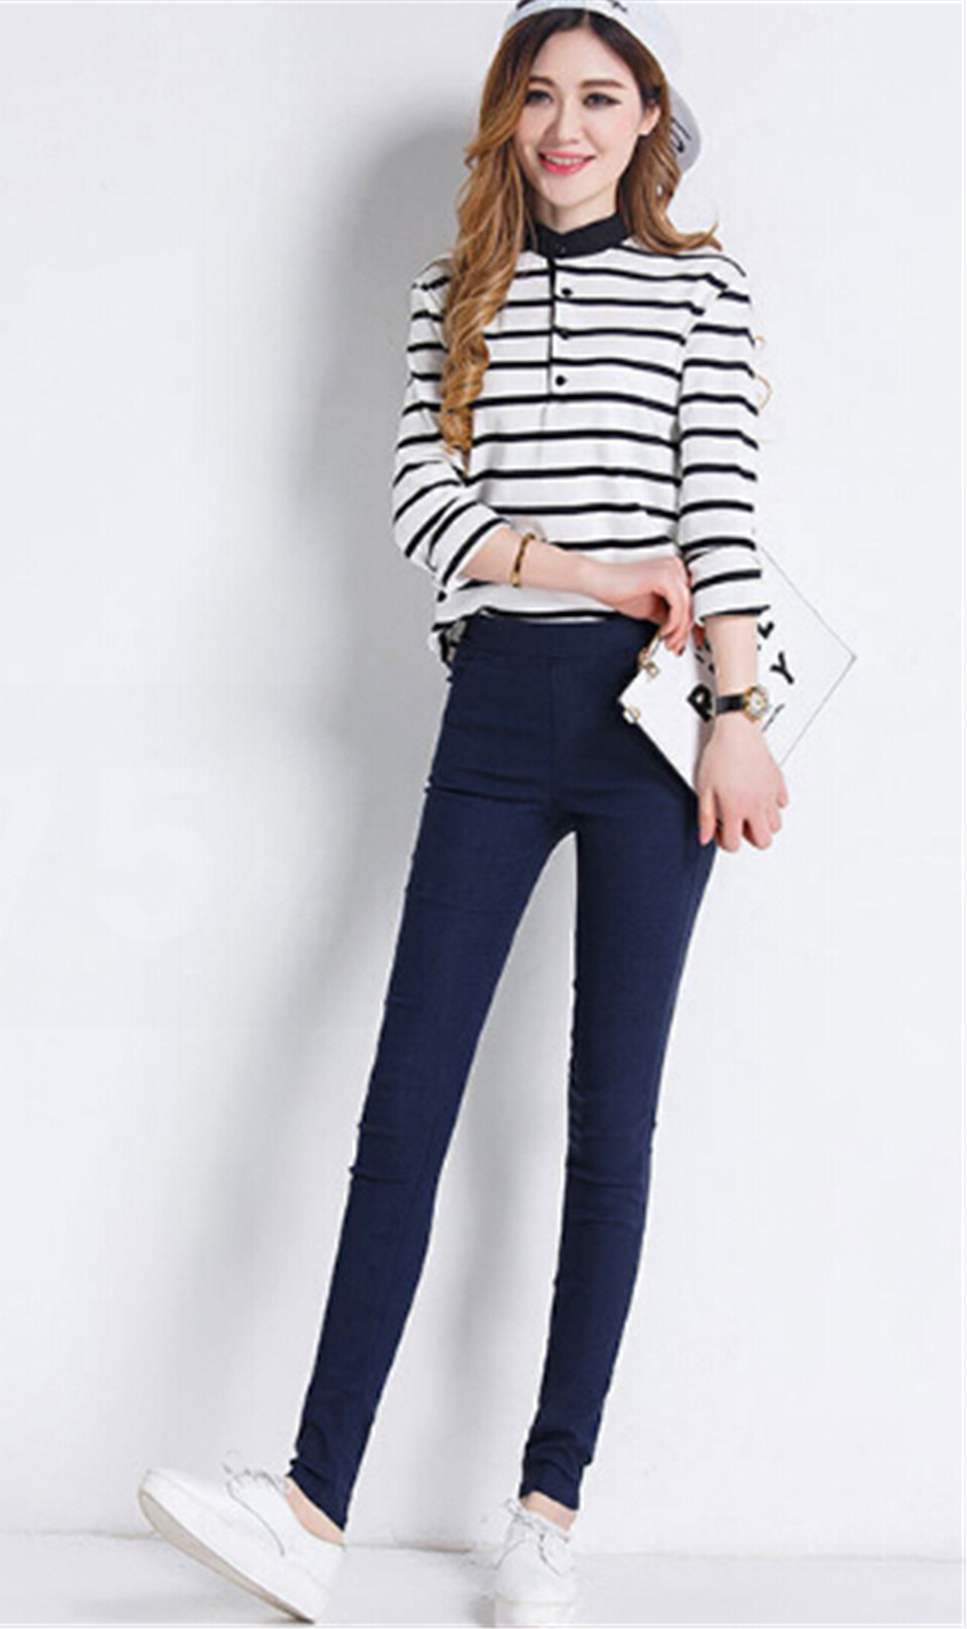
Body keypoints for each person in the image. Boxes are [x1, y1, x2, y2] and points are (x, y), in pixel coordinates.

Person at [137, 2, 789, 1623]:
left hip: (653, 725)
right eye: (538, 96)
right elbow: (422, 501)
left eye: (600, 97)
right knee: (406, 1097)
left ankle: (546, 1513)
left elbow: (718, 508)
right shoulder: (458, 294)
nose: (566, 126)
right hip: (496, 701)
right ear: (506, 120)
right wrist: (588, 568)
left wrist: (737, 718)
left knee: (606, 1121)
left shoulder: (700, 290)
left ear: (648, 121)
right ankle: (310, 1506)